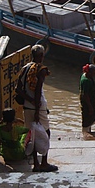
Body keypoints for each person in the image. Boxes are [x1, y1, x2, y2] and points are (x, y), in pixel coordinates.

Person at [22, 44, 57, 172]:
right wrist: (37, 109)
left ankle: (36, 163)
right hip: (38, 106)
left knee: (32, 134)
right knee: (45, 132)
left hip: (27, 106)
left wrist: (29, 101)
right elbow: (37, 91)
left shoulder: (24, 68)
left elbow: (18, 90)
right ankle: (44, 162)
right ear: (41, 56)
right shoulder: (40, 69)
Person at [79, 64, 95, 134]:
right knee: (88, 116)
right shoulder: (86, 81)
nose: (94, 74)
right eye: (93, 73)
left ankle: (88, 131)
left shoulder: (86, 75)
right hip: (88, 102)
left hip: (92, 100)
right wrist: (90, 107)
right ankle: (85, 132)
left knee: (91, 116)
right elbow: (85, 95)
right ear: (89, 72)